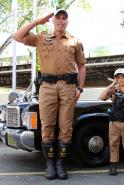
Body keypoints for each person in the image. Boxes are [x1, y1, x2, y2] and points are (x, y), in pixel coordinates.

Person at [12, 10, 86, 180]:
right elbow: (17, 36)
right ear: (53, 21)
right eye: (58, 18)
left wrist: (80, 88)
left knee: (66, 127)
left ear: (67, 21)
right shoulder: (41, 38)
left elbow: (81, 66)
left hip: (68, 87)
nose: (61, 21)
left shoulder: (75, 41)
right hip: (47, 87)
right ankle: (50, 164)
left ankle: (60, 163)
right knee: (47, 126)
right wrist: (38, 21)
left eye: (64, 18)